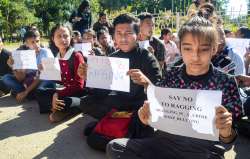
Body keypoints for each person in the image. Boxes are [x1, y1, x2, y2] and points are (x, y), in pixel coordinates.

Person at [107, 15, 242, 159]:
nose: (195, 56)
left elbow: (230, 139)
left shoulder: (226, 82)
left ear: (214, 49)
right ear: (180, 48)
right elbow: (157, 113)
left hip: (202, 149)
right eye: (188, 49)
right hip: (163, 143)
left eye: (203, 49)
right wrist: (146, 118)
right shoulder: (171, 75)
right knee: (115, 147)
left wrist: (226, 131)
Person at [78, 13, 162, 120]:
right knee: (86, 102)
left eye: (128, 33)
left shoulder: (147, 57)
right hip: (119, 102)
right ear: (114, 36)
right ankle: (123, 119)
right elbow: (103, 92)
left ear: (138, 35)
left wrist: (146, 82)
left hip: (140, 103)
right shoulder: (112, 57)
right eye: (119, 33)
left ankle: (122, 120)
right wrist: (89, 78)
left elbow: (159, 93)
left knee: (148, 111)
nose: (123, 38)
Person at [35, 24, 86, 122]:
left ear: (71, 37)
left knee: (67, 101)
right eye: (59, 36)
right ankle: (55, 108)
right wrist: (44, 71)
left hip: (76, 93)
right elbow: (58, 81)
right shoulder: (56, 57)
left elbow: (79, 85)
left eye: (66, 36)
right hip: (63, 91)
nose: (63, 39)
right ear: (53, 39)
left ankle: (68, 109)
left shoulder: (76, 56)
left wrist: (57, 93)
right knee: (40, 91)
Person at [2, 30, 54, 102]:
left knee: (44, 82)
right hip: (27, 83)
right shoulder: (25, 55)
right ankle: (27, 93)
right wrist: (13, 66)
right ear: (26, 44)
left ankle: (25, 93)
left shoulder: (46, 52)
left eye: (37, 41)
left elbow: (45, 76)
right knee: (6, 78)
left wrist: (26, 92)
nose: (36, 45)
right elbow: (21, 78)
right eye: (32, 42)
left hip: (40, 81)